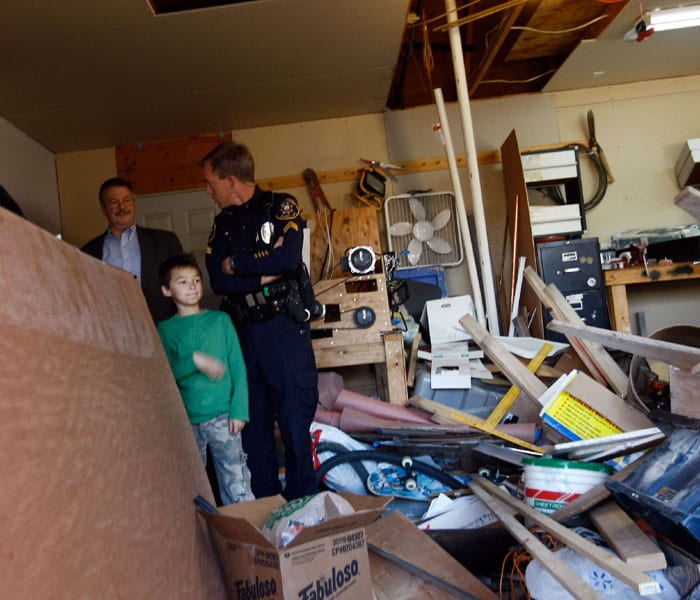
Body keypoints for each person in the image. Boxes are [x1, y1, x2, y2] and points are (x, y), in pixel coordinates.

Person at [202, 141, 319, 501]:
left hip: (282, 329)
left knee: (294, 422)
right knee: (253, 429)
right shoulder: (222, 224)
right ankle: (266, 509)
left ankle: (302, 507)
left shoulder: (280, 206)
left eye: (210, 183)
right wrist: (261, 271)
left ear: (231, 180)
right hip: (243, 335)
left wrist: (238, 264)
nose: (208, 191)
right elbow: (217, 281)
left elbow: (287, 258)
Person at [157, 253, 254, 505]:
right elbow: (164, 376)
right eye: (182, 282)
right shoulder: (165, 330)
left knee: (236, 481)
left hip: (224, 417)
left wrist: (239, 410)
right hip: (186, 423)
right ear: (167, 290)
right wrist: (195, 361)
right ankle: (201, 541)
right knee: (191, 485)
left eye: (197, 280)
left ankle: (245, 537)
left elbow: (238, 367)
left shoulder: (221, 321)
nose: (192, 286)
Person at [81, 177, 183, 324]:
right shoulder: (88, 252)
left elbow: (183, 287)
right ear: (104, 209)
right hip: (112, 330)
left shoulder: (166, 241)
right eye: (114, 203)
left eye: (127, 200)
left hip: (163, 329)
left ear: (134, 204)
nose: (122, 207)